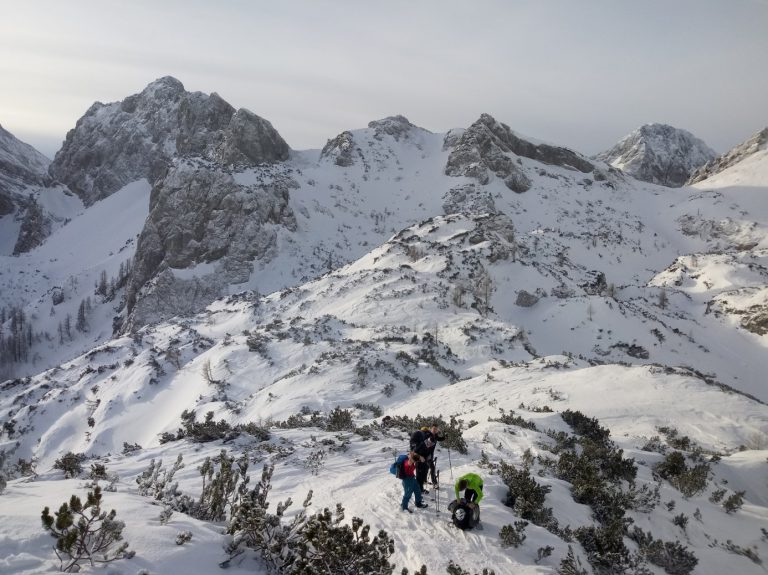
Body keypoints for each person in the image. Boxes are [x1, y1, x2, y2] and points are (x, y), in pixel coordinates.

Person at [410, 425, 443, 493]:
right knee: (420, 474)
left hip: (425, 457)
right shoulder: (420, 438)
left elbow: (426, 447)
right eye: (425, 432)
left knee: (423, 472)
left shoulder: (426, 437)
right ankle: (419, 489)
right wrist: (420, 456)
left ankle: (421, 488)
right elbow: (416, 449)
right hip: (420, 458)